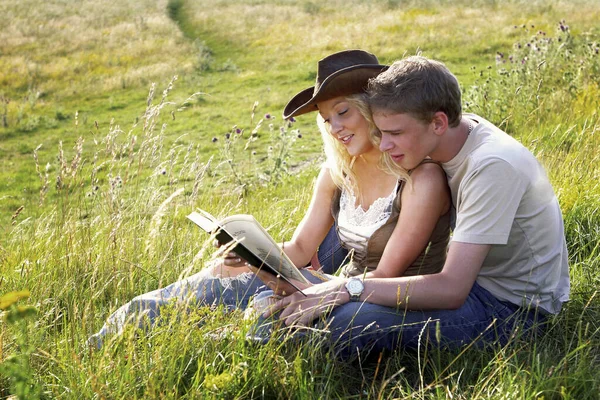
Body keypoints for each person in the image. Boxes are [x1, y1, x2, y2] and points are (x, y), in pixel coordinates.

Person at [88, 50, 452, 349]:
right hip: (333, 288)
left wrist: (314, 289)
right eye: (327, 120)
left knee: (267, 318)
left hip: (386, 303)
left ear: (372, 108)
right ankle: (112, 338)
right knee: (218, 278)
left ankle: (217, 348)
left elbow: (384, 276)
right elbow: (299, 247)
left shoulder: (421, 179)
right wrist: (249, 254)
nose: (335, 127)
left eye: (343, 111)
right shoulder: (336, 174)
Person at [261, 55, 569, 358]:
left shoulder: (492, 166)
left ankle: (273, 338)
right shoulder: (447, 134)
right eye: (381, 133)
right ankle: (264, 321)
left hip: (511, 309)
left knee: (347, 322)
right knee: (306, 295)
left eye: (395, 134)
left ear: (438, 122)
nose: (383, 145)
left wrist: (347, 289)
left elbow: (451, 289)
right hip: (474, 281)